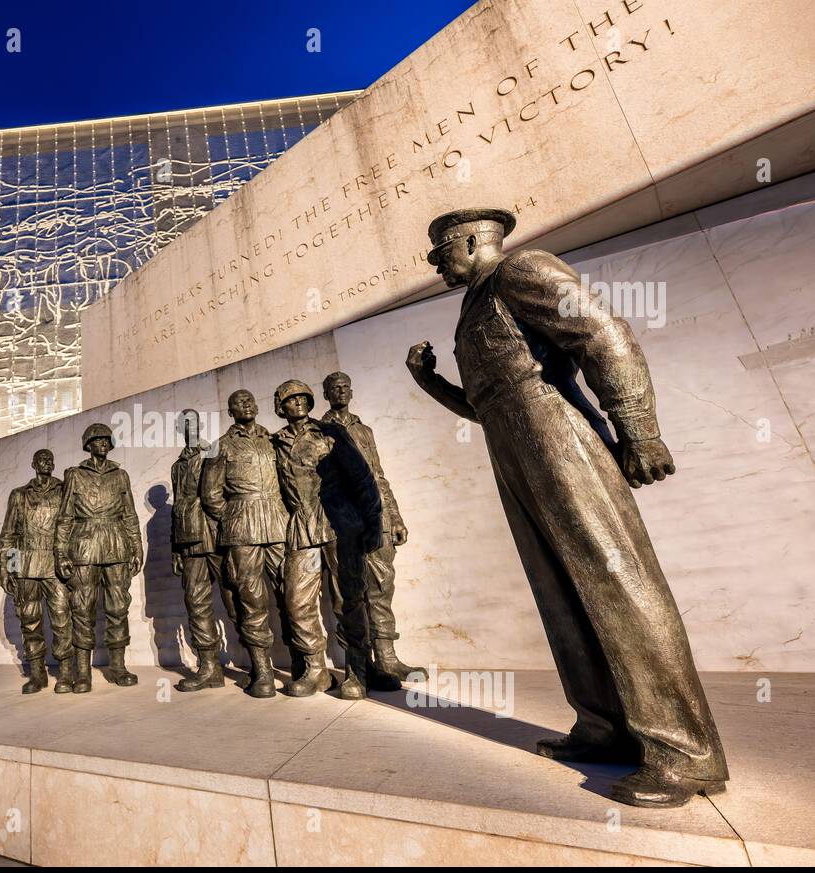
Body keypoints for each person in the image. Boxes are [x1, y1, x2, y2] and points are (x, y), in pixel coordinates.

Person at [408, 207, 728, 808]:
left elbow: (602, 333)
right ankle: (604, 726)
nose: (436, 264)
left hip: (560, 440)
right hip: (514, 445)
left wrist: (637, 427)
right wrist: (432, 384)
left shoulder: (521, 270)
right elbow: (488, 403)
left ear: (474, 240)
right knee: (559, 588)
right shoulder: (474, 305)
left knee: (616, 581)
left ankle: (685, 753)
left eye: (441, 251)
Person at [271, 379, 382, 699]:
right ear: (281, 407)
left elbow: (363, 478)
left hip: (338, 520)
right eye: (291, 400)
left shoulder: (330, 433)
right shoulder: (275, 442)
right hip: (301, 524)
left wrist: (373, 522)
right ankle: (315, 670)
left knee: (348, 598)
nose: (299, 403)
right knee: (296, 600)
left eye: (303, 397)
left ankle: (357, 671)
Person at [320, 371, 427, 689]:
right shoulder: (319, 432)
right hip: (339, 521)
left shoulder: (364, 430)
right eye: (333, 388)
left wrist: (395, 516)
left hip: (375, 517)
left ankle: (387, 657)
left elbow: (378, 475)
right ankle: (360, 663)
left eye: (344, 387)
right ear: (326, 394)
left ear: (350, 391)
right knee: (347, 595)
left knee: (382, 588)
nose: (340, 391)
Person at [199, 389, 290, 698]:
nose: (246, 405)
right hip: (241, 526)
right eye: (239, 402)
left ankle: (303, 667)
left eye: (251, 400)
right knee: (251, 599)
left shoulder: (273, 440)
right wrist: (235, 515)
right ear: (230, 412)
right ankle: (262, 670)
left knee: (289, 592)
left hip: (277, 522)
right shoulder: (219, 447)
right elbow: (211, 495)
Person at [54, 423, 143, 693]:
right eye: (97, 439)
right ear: (88, 444)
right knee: (82, 610)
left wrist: (137, 547)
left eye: (106, 439)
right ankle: (83, 673)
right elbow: (66, 515)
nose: (103, 443)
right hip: (84, 546)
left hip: (116, 543)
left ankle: (118, 665)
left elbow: (129, 514)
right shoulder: (75, 475)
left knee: (118, 608)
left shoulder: (121, 475)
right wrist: (60, 552)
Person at [171, 409, 237, 692]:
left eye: (194, 422)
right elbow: (177, 506)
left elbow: (226, 494)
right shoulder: (177, 466)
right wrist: (175, 548)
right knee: (196, 603)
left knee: (236, 597)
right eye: (184, 424)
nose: (190, 427)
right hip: (189, 541)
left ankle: (261, 664)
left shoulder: (213, 452)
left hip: (215, 536)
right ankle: (209, 667)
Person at [0, 448, 73, 693]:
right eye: (41, 459)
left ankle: (65, 673)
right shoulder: (19, 495)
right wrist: (6, 569)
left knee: (62, 618)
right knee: (30, 622)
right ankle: (38, 674)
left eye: (50, 459)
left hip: (54, 564)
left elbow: (73, 527)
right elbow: (9, 534)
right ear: (33, 464)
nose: (46, 462)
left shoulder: (64, 490)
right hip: (25, 565)